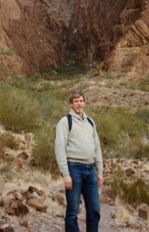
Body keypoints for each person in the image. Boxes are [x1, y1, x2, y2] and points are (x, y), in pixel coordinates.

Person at [55, 90, 104, 232]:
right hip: (74, 169)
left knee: (94, 210)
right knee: (72, 211)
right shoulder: (65, 122)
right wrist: (65, 174)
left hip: (90, 170)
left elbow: (97, 147)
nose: (79, 104)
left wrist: (100, 171)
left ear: (85, 103)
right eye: (76, 101)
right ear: (71, 105)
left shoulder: (90, 122)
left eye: (81, 101)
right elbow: (59, 148)